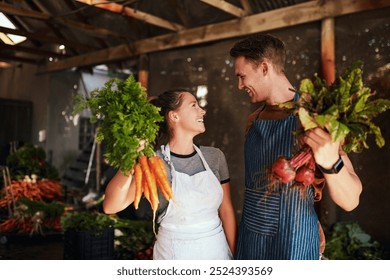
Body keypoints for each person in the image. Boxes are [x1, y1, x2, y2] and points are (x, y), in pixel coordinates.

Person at [229, 34, 363, 260]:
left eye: (242, 76)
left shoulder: (315, 117)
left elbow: (351, 200)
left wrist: (331, 162)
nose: (239, 85)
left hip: (294, 240)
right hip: (251, 239)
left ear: (264, 68)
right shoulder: (253, 120)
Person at [103, 89, 237, 260]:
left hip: (217, 252)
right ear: (174, 116)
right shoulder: (153, 162)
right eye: (193, 105)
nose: (202, 110)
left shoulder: (214, 157)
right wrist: (133, 157)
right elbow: (111, 206)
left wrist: (235, 257)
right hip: (174, 255)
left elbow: (226, 210)